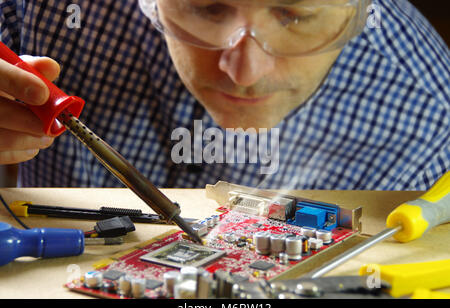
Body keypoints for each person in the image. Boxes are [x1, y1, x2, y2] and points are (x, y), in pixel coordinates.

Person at [0, 0, 448, 190]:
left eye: (294, 15)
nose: (244, 72)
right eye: (208, 8)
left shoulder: (428, 124)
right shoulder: (48, 7)